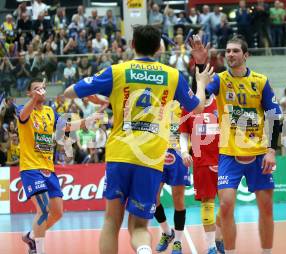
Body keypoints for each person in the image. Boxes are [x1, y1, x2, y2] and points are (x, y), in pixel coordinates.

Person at [63, 25, 211, 254]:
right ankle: (143, 250)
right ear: (158, 47)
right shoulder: (173, 76)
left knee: (112, 221)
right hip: (151, 158)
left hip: (120, 153)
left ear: (132, 45)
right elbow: (199, 107)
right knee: (140, 225)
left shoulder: (117, 71)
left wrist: (95, 92)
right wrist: (200, 82)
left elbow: (70, 92)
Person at [190, 35, 282, 254]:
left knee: (266, 207)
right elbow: (197, 98)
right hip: (229, 153)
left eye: (235, 51)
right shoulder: (220, 80)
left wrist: (271, 151)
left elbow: (274, 117)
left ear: (246, 55)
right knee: (226, 204)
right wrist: (201, 63)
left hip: (259, 153)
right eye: (228, 51)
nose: (230, 54)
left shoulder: (260, 81)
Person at [18, 78, 64, 254]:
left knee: (57, 212)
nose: (40, 91)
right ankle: (38, 250)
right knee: (43, 210)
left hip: (48, 169)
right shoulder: (24, 109)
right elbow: (23, 117)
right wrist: (34, 99)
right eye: (36, 89)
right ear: (29, 93)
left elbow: (65, 126)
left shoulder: (50, 111)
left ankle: (31, 235)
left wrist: (87, 121)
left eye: (42, 88)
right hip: (31, 168)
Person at [179, 90, 225, 254]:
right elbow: (183, 133)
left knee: (228, 204)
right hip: (202, 163)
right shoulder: (188, 107)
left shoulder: (222, 103)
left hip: (224, 161)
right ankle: (211, 246)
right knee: (208, 203)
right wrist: (184, 152)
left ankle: (219, 237)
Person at [153, 102, 191, 254]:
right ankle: (168, 233)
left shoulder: (184, 105)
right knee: (152, 196)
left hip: (178, 153)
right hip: (159, 154)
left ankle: (178, 242)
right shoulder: (156, 102)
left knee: (178, 199)